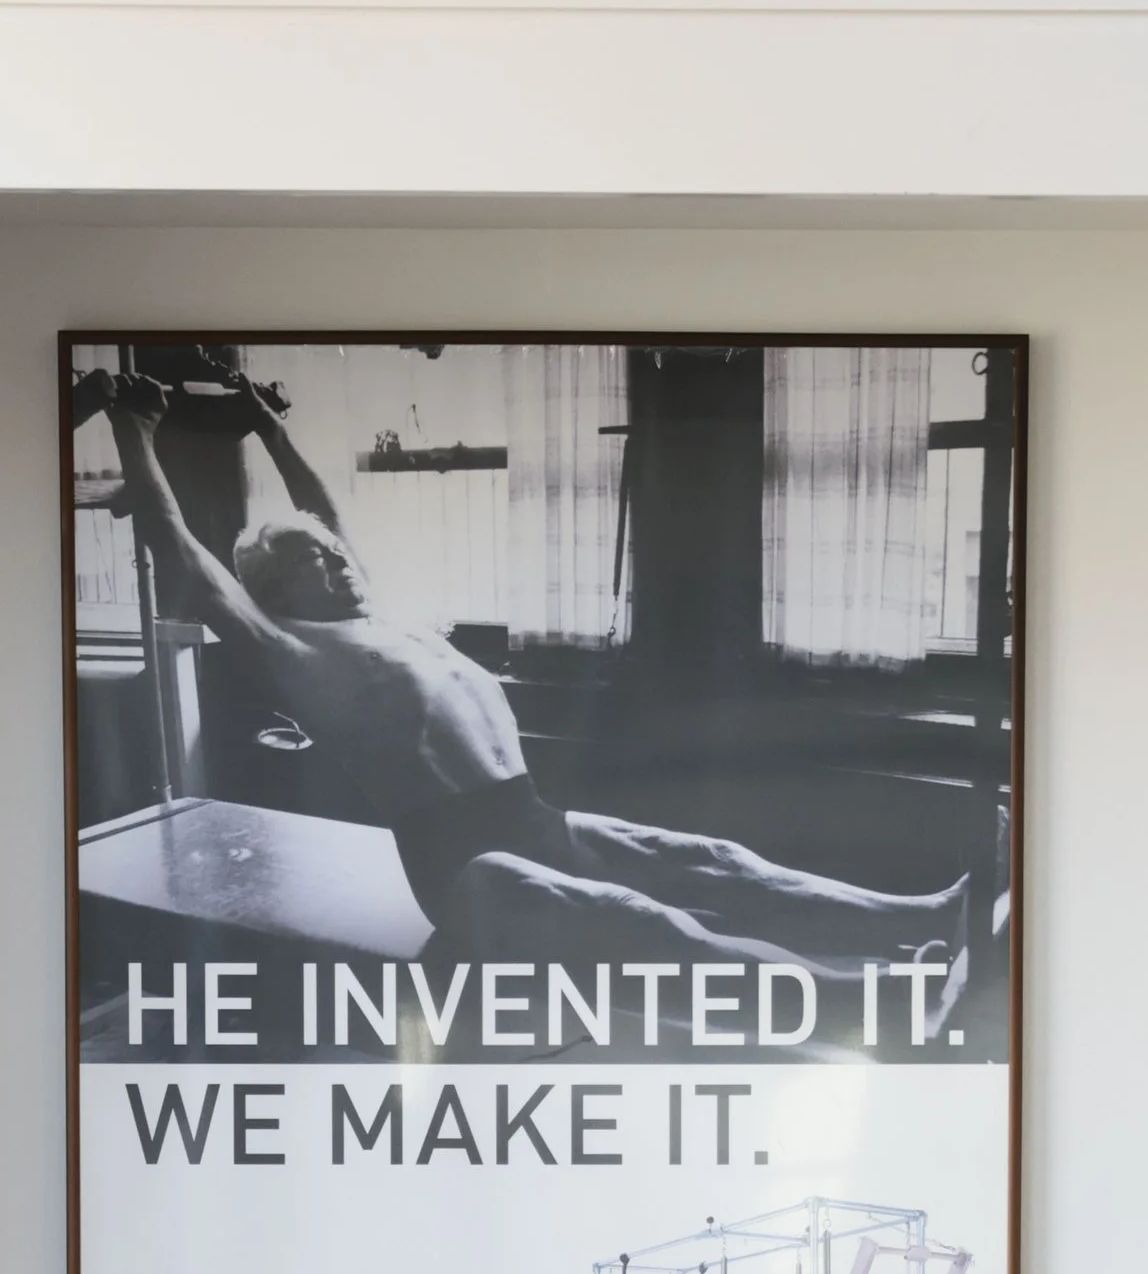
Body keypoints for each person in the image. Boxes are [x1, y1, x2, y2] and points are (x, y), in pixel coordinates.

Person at [104, 375, 972, 1012]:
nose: (336, 560)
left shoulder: (388, 622)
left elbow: (323, 509)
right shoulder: (291, 653)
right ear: (279, 592)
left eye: (333, 551)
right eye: (312, 561)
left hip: (536, 818)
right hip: (466, 869)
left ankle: (912, 917)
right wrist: (132, 426)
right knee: (650, 919)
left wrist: (267, 425)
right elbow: (184, 555)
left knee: (719, 865)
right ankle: (869, 1000)